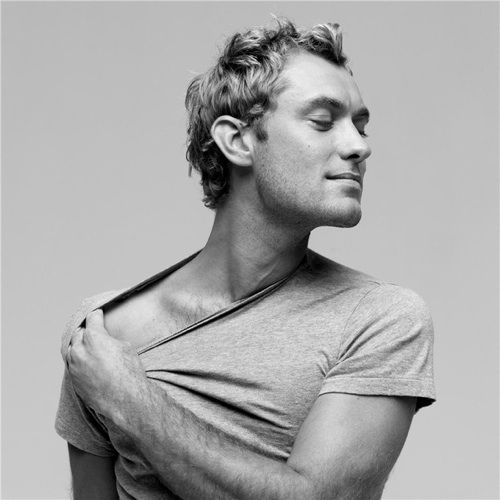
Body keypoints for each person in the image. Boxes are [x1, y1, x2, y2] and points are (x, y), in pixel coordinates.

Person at [55, 17, 436, 500]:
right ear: (237, 141)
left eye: (360, 126)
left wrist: (131, 400)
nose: (360, 146)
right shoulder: (102, 333)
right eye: (323, 122)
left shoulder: (380, 319)